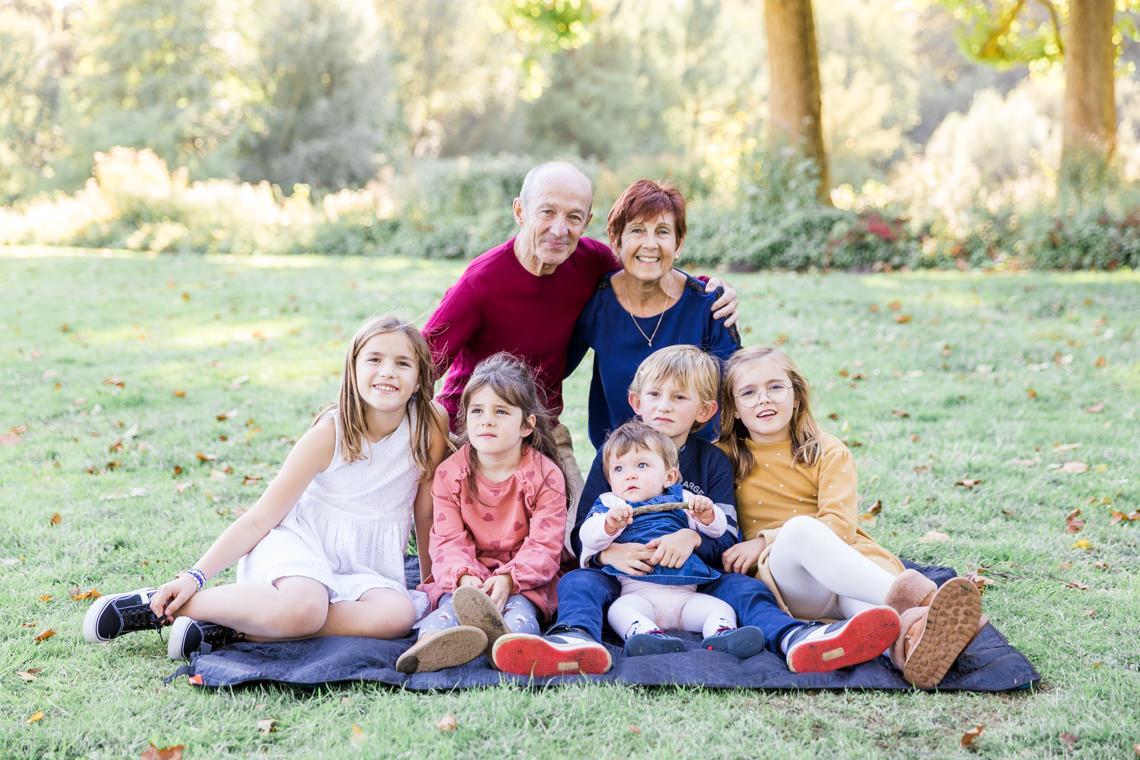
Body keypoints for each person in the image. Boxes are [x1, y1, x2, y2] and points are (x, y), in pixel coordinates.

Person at [492, 346, 902, 677]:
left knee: (746, 589)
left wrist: (692, 535)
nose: (663, 407)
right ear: (636, 401)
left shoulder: (712, 462)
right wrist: (607, 553)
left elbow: (729, 538)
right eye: (654, 396)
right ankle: (575, 640)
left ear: (705, 411)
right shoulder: (613, 454)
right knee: (579, 582)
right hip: (626, 578)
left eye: (679, 397)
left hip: (697, 581)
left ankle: (794, 637)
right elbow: (583, 528)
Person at [82, 316, 449, 659]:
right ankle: (155, 605)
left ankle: (236, 626)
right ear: (352, 370)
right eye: (374, 359)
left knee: (397, 616)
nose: (387, 372)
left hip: (367, 561)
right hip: (301, 544)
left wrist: (432, 581)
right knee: (305, 609)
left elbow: (425, 508)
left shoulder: (429, 424)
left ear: (419, 377)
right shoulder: (330, 433)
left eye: (402, 363)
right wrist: (195, 576)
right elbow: (261, 518)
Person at [422, 162, 739, 510]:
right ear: (519, 211)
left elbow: (648, 266)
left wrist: (708, 287)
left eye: (573, 217)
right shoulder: (480, 283)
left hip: (542, 429)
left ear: (586, 223)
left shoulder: (591, 263)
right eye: (547, 212)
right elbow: (419, 364)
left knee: (570, 541)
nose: (559, 229)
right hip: (474, 429)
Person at [718, 346, 985, 689]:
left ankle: (912, 648)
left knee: (874, 616)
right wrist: (764, 542)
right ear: (735, 409)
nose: (763, 399)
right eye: (748, 393)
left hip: (849, 568)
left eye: (775, 387)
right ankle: (927, 600)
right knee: (800, 530)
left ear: (796, 396)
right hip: (794, 582)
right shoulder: (724, 457)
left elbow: (840, 526)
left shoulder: (827, 451)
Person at [396, 353, 567, 674]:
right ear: (465, 418)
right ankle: (433, 644)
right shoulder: (451, 474)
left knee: (519, 613)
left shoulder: (545, 476)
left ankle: (511, 646)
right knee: (449, 610)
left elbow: (545, 546)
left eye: (501, 411)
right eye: (477, 411)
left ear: (527, 425)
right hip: (465, 580)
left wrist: (508, 579)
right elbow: (446, 540)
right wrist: (464, 578)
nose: (486, 420)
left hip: (523, 581)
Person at [567, 179, 740, 451]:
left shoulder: (708, 306)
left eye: (662, 232)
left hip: (698, 461)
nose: (650, 244)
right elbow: (554, 365)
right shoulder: (598, 303)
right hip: (623, 462)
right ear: (616, 240)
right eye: (637, 230)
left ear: (678, 243)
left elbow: (737, 388)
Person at [576, 421, 765, 658]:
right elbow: (587, 535)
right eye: (619, 469)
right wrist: (608, 526)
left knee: (719, 607)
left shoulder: (682, 499)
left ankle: (720, 633)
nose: (630, 475)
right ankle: (646, 635)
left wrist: (707, 514)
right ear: (609, 478)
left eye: (642, 465)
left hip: (686, 596)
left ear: (669, 476)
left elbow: (719, 530)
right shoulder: (611, 504)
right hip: (639, 595)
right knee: (619, 610)